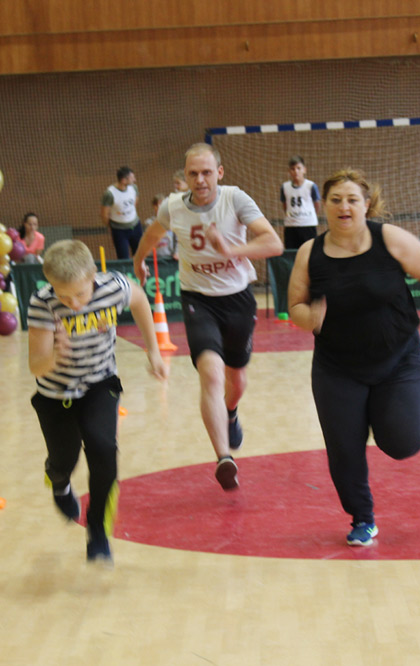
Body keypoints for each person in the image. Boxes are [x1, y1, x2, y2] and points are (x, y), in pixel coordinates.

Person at [287, 168, 420, 547]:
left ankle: (387, 412)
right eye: (335, 200)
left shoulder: (390, 239)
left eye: (352, 199)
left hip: (398, 359)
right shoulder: (310, 253)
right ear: (323, 206)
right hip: (336, 367)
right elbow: (295, 305)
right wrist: (309, 317)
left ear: (366, 205)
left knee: (403, 442)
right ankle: (362, 517)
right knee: (344, 450)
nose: (343, 206)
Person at [132, 143, 283, 491]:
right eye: (193, 174)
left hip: (238, 299)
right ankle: (223, 458)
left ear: (219, 173)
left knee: (236, 381)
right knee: (211, 374)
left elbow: (273, 243)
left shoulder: (235, 199)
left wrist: (231, 250)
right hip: (198, 300)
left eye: (206, 172)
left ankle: (231, 412)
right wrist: (139, 261)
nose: (200, 180)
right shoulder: (173, 207)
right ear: (185, 177)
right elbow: (152, 235)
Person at [28, 240, 168, 565]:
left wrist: (153, 350)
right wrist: (54, 355)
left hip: (100, 383)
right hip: (55, 394)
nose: (74, 304)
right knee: (64, 459)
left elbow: (140, 301)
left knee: (103, 449)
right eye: (64, 296)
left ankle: (97, 529)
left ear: (93, 275)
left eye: (80, 294)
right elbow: (35, 366)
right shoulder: (43, 303)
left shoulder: (114, 287)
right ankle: (59, 481)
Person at [280, 155, 321, 249]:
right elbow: (285, 205)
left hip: (308, 225)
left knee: (309, 252)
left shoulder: (311, 186)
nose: (296, 171)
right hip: (291, 226)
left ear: (304, 170)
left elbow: (317, 204)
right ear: (289, 171)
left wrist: (309, 216)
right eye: (293, 169)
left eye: (299, 168)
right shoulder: (285, 187)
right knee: (291, 253)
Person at [101, 166, 142, 259]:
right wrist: (111, 227)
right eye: (132, 178)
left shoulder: (134, 188)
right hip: (119, 231)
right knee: (123, 257)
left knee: (140, 254)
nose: (135, 180)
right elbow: (104, 214)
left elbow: (135, 202)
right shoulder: (110, 194)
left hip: (135, 226)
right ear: (123, 180)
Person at [144, 195, 176, 259]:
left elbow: (177, 239)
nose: (161, 207)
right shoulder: (149, 222)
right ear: (154, 206)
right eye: (158, 205)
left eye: (163, 205)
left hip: (169, 256)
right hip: (154, 257)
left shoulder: (173, 222)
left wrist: (176, 252)